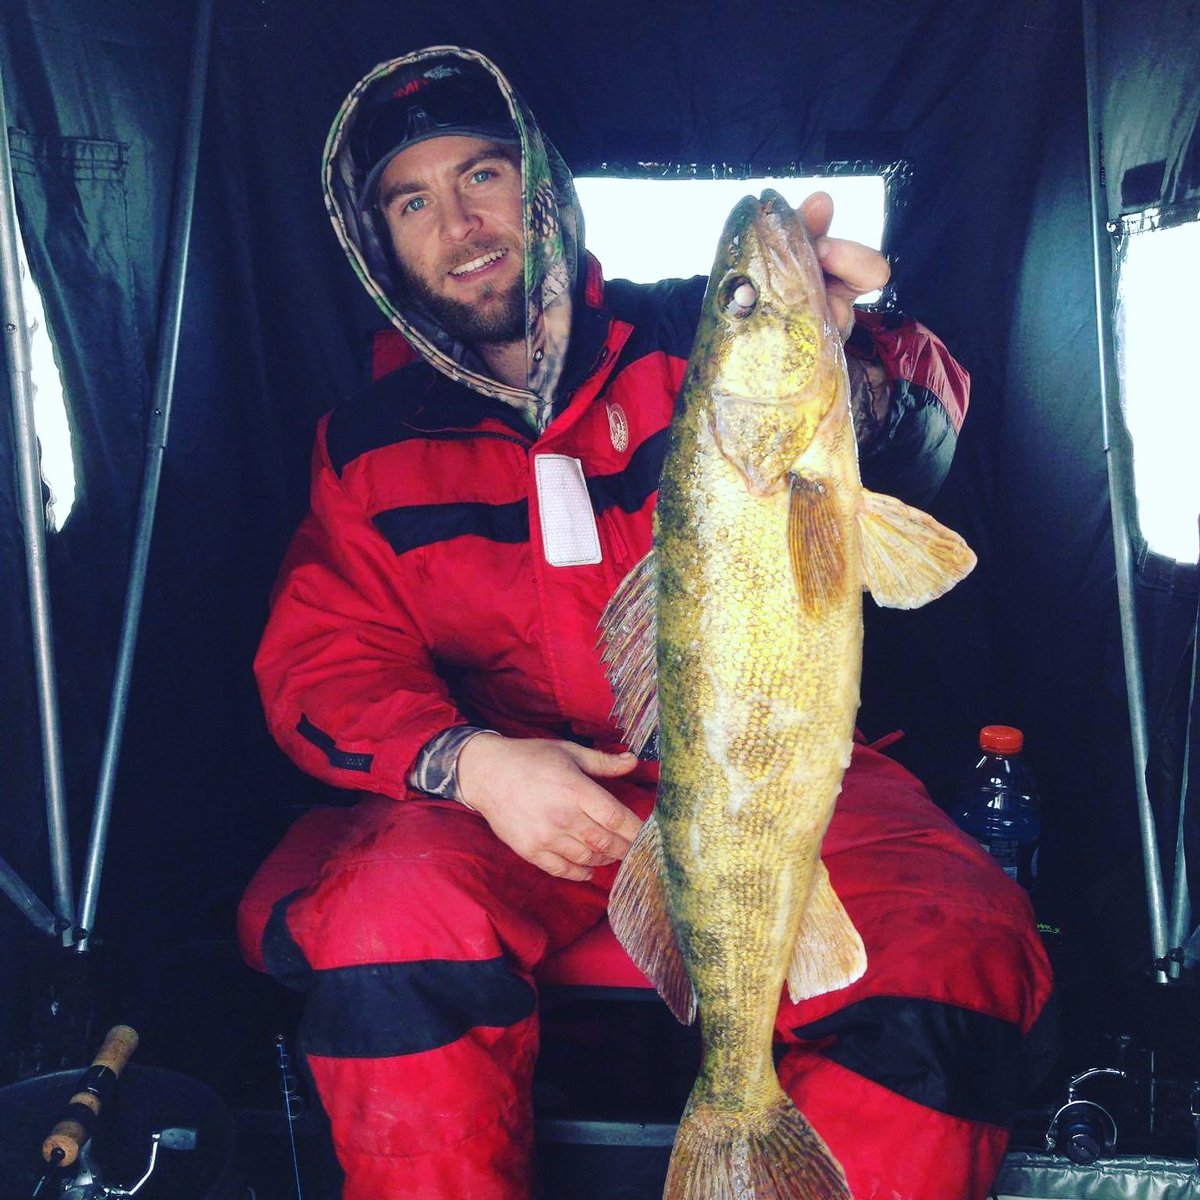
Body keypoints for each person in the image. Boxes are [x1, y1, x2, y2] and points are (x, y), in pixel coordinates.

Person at [241, 45, 1056, 1200]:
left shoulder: (697, 345)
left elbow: (925, 426)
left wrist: (848, 352)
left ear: (543, 186)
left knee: (950, 951)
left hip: (782, 759)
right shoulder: (365, 448)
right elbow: (323, 660)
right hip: (529, 795)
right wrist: (472, 765)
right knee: (383, 916)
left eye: (482, 173)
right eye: (412, 201)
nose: (461, 223)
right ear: (378, 245)